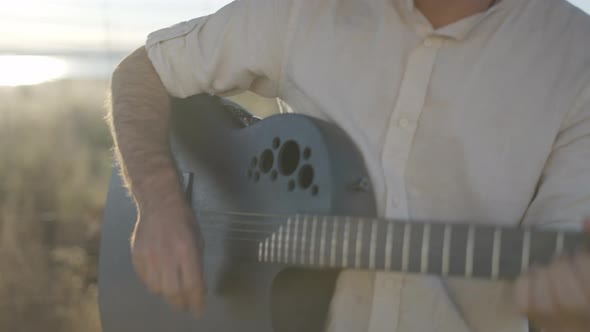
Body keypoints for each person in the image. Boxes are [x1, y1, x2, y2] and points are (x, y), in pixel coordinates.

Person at [107, 0, 590, 331]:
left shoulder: (576, 58)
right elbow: (143, 71)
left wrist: (572, 310)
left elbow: (565, 296)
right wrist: (161, 199)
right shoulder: (305, 9)